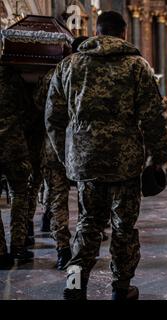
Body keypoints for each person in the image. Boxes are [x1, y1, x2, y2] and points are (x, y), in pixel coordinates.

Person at [45, 11, 167, 300]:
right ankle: (121, 289)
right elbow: (153, 117)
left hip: (85, 160)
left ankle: (74, 286)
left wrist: (68, 156)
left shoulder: (69, 65)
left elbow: (52, 117)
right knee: (123, 227)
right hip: (124, 163)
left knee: (87, 224)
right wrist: (159, 157)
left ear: (97, 32)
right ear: (124, 34)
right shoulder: (137, 67)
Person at [35, 36, 88, 270]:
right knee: (87, 198)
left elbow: (39, 106)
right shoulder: (91, 72)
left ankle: (62, 250)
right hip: (84, 147)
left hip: (54, 147)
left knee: (57, 200)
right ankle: (86, 244)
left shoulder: (53, 73)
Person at [0, 65, 34, 268]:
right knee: (20, 194)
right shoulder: (11, 74)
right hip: (14, 144)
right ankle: (18, 246)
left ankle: (0, 252)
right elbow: (28, 108)